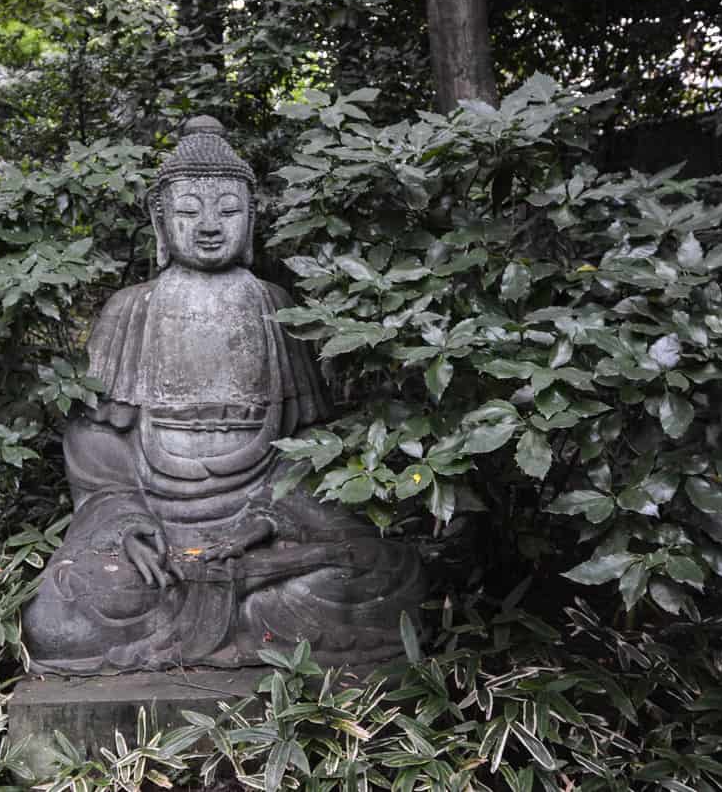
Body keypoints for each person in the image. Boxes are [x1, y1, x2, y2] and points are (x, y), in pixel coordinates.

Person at [23, 116, 424, 674]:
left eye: (229, 212)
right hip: (159, 527)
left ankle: (239, 606)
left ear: (251, 219)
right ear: (160, 221)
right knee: (56, 618)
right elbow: (96, 445)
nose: (210, 226)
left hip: (261, 531)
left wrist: (268, 518)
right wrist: (126, 525)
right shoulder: (130, 311)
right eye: (189, 212)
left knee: (385, 572)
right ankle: (247, 618)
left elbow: (311, 442)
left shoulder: (276, 307)